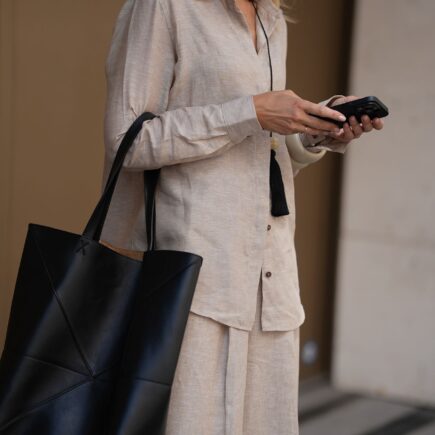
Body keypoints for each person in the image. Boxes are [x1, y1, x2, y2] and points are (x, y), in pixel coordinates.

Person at [99, 0, 384, 433]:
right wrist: (249, 111)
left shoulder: (272, 18)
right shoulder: (165, 7)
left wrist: (315, 131)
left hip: (270, 282)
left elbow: (257, 153)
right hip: (198, 280)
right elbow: (128, 141)